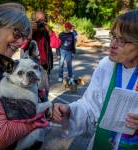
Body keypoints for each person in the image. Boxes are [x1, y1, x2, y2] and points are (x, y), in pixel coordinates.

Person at [52, 10, 138, 150]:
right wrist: (70, 111)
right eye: (113, 36)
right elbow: (91, 107)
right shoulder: (107, 66)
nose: (112, 44)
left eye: (122, 40)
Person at [0, 3, 47, 149]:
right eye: (17, 33)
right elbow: (0, 137)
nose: (21, 42)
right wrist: (35, 122)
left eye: (23, 37)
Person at [32, 10, 53, 75]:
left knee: (45, 84)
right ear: (33, 20)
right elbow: (23, 45)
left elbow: (56, 44)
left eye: (43, 20)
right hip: (32, 66)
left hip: (45, 66)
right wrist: (31, 30)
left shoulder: (47, 32)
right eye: (38, 21)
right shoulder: (28, 30)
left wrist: (49, 30)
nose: (41, 23)